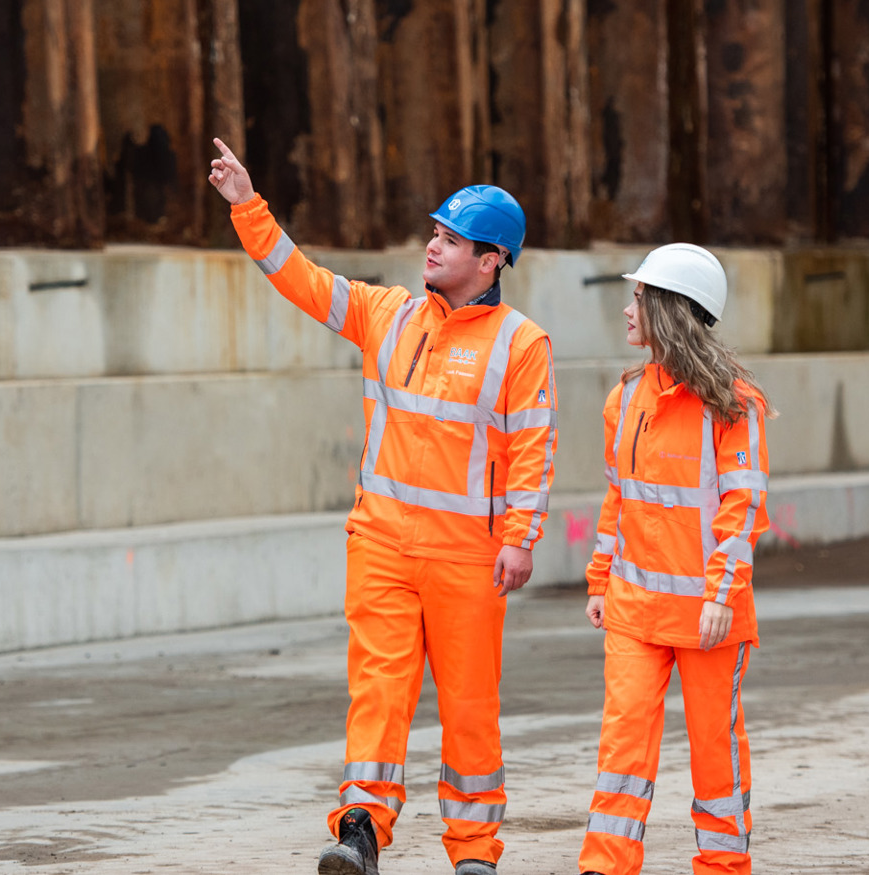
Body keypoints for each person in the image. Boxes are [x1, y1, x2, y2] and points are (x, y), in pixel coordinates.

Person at [207, 139, 558, 875]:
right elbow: (299, 279)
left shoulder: (521, 344)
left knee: (469, 708)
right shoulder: (386, 314)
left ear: (491, 260)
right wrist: (248, 204)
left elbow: (534, 445)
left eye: (450, 239)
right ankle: (360, 827)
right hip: (383, 545)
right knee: (378, 691)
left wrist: (522, 537)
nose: (431, 246)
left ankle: (473, 854)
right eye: (434, 233)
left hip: (470, 557)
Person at [577, 244, 770, 875]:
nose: (626, 308)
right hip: (635, 611)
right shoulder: (624, 399)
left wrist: (719, 596)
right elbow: (620, 500)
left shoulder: (734, 404)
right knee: (623, 745)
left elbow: (740, 511)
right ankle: (605, 867)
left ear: (668, 309)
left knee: (715, 751)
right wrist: (601, 579)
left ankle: (721, 867)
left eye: (637, 297)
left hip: (707, 616)